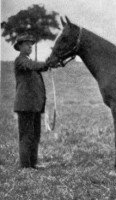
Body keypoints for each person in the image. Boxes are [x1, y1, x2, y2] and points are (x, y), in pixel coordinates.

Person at [13, 33, 49, 169]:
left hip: (34, 106)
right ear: (20, 46)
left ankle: (33, 164)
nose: (30, 46)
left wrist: (46, 65)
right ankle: (26, 166)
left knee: (35, 135)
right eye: (27, 44)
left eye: (31, 44)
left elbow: (35, 66)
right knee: (26, 136)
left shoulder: (29, 62)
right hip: (25, 106)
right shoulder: (21, 60)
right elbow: (33, 65)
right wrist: (47, 63)